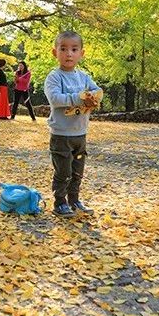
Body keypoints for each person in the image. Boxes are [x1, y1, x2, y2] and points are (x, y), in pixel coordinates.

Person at [44, 30, 102, 218]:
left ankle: (74, 199)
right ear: (55, 52)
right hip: (61, 134)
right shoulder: (54, 77)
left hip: (80, 133)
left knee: (77, 171)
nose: (69, 53)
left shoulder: (83, 77)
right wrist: (77, 98)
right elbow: (55, 98)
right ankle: (60, 202)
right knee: (63, 171)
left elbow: (96, 90)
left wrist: (95, 96)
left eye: (74, 49)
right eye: (63, 49)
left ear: (81, 53)